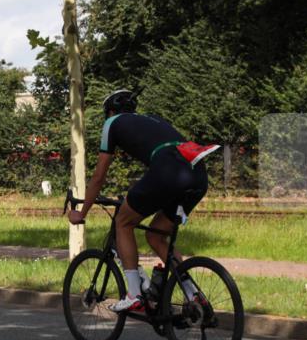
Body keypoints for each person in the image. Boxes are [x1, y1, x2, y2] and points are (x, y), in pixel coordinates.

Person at [67, 90, 219, 313]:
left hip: (168, 171)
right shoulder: (153, 119)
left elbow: (99, 176)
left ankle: (134, 294)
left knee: (123, 222)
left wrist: (81, 213)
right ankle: (194, 296)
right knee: (156, 235)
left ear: (110, 111)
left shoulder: (112, 122)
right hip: (197, 173)